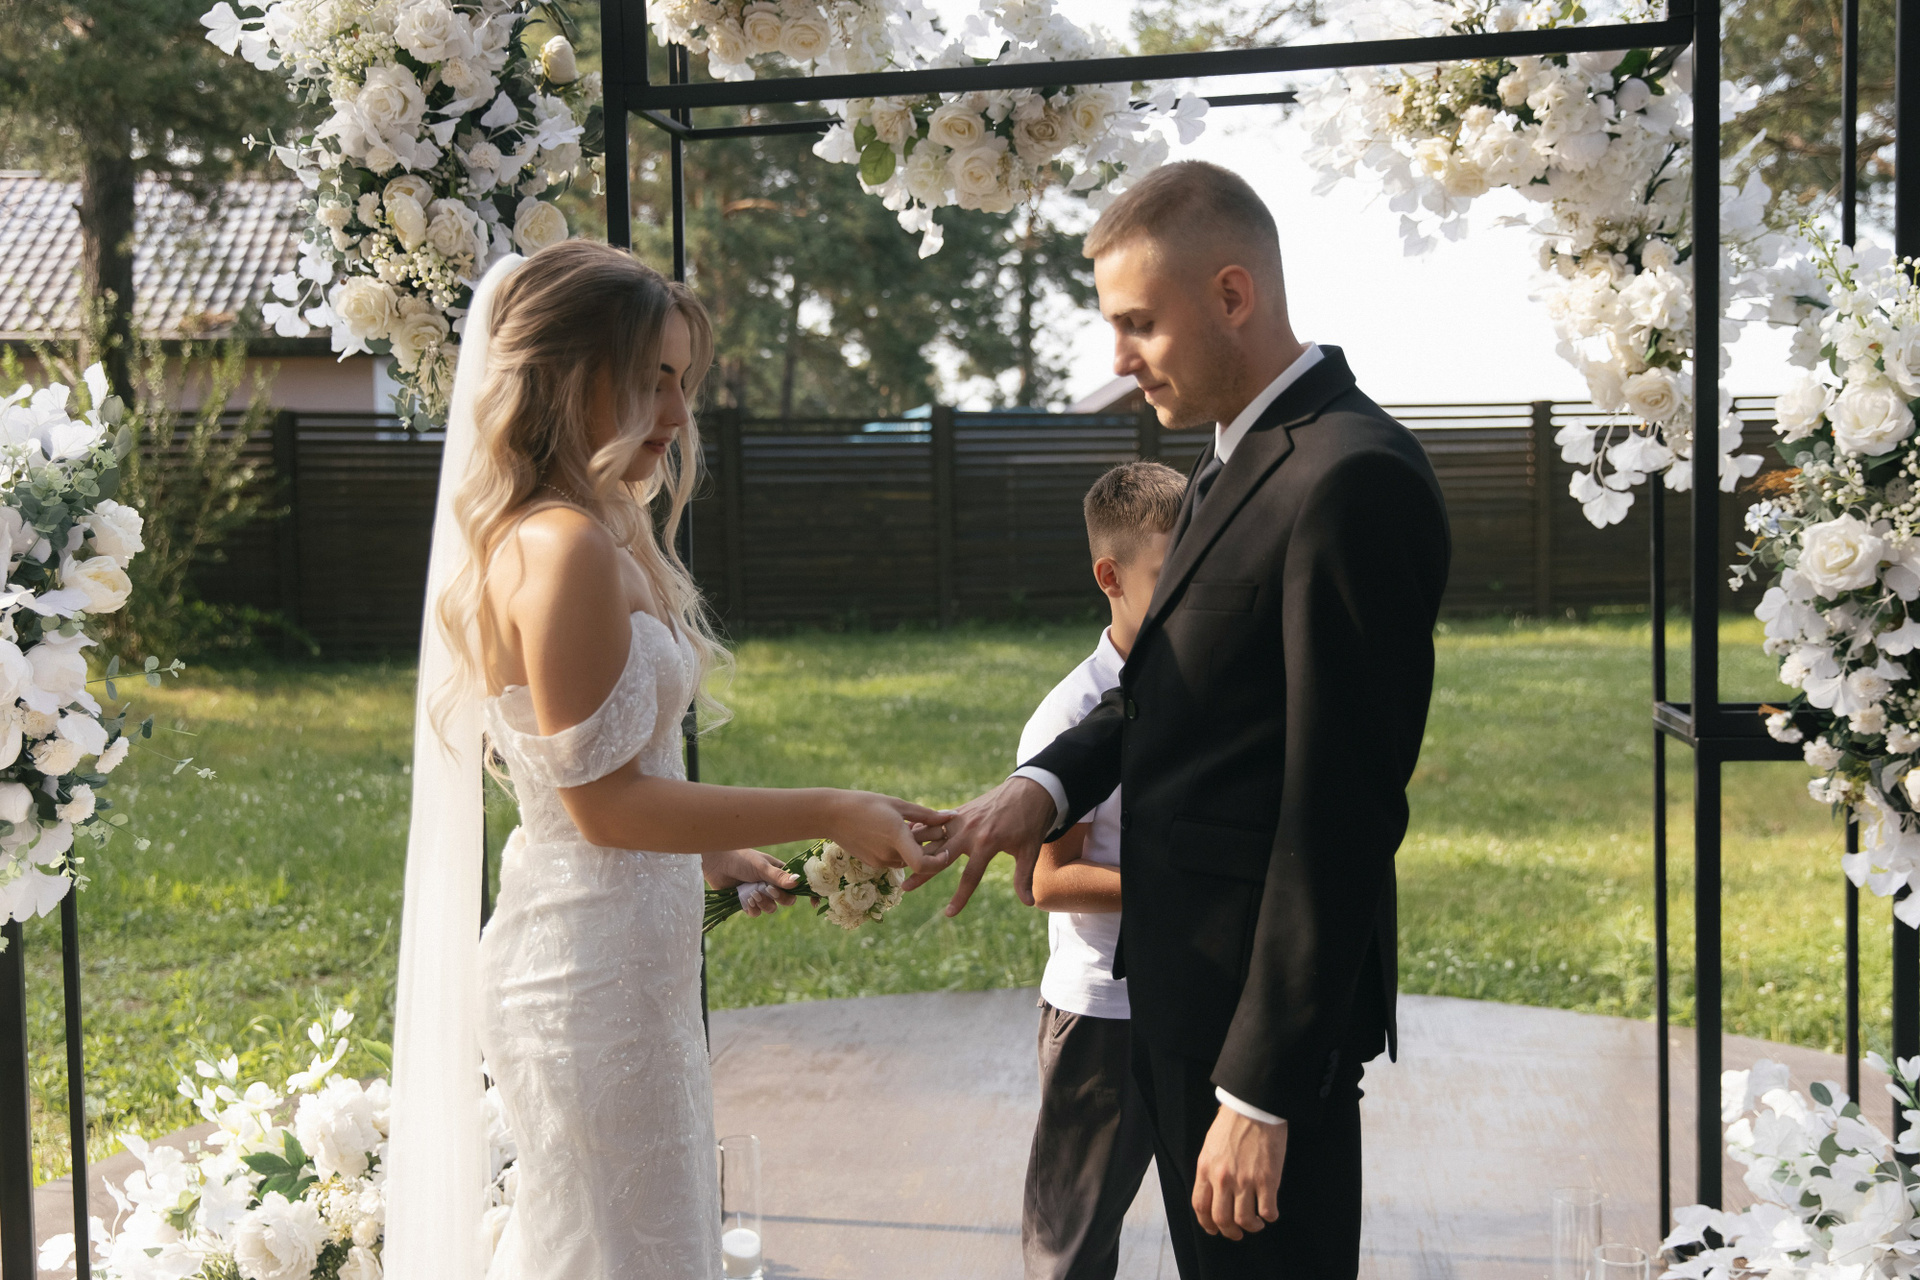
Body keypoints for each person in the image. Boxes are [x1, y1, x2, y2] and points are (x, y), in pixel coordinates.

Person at [913, 161, 1451, 1277]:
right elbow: (1165, 692)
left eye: (1137, 323)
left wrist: (1261, 1089)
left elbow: (1342, 810)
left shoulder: (1352, 476)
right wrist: (1039, 788)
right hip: (1173, 1001)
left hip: (1256, 1039)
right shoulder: (1223, 463)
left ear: (1233, 294)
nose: (1118, 358)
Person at [384, 241, 948, 1280]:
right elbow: (600, 805)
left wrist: (711, 850)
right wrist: (828, 808)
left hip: (628, 960)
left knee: (642, 1241)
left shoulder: (603, 528)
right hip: (583, 975)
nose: (680, 413)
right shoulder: (560, 546)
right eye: (654, 379)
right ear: (571, 376)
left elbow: (609, 776)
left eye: (683, 380)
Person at [1021, 461, 1184, 1280]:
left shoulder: (1202, 689)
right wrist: (1188, 889)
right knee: (1073, 1252)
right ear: (1110, 578)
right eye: (1168, 575)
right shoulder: (1072, 712)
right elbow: (1048, 881)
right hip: (1103, 1020)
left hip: (1198, 1003)